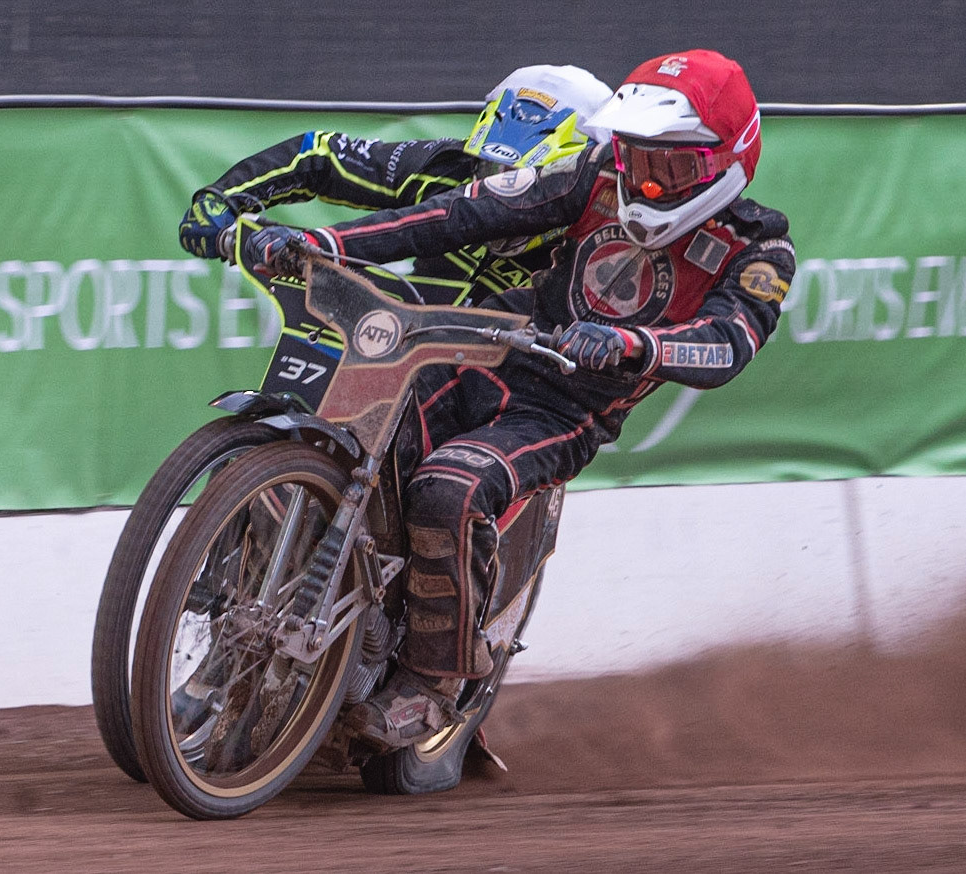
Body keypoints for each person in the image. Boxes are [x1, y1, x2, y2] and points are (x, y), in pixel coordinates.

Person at [241, 49, 797, 751]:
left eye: (671, 167)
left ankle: (432, 684)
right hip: (485, 349)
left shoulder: (759, 249)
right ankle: (270, 609)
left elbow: (726, 344)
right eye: (636, 157)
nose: (646, 181)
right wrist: (321, 242)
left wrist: (632, 345)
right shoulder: (593, 173)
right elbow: (462, 211)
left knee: (449, 487)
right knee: (340, 422)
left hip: (566, 408)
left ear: (728, 162)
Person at [179, 64, 614, 305]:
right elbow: (321, 155)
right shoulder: (446, 167)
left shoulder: (602, 234)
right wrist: (225, 198)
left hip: (512, 397)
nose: (501, 191)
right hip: (392, 357)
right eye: (489, 170)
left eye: (523, 181)